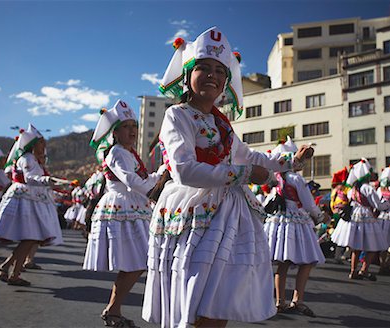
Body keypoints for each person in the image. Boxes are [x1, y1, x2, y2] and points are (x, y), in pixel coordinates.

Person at [141, 27, 313, 328]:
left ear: (226, 81)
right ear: (187, 75)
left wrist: (291, 162)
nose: (212, 76)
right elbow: (185, 170)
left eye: (220, 71)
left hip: (227, 214)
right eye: (204, 68)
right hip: (193, 212)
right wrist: (245, 174)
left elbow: (252, 156)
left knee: (220, 298)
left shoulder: (221, 124)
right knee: (196, 296)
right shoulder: (177, 115)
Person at [83, 100, 165, 328]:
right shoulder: (117, 153)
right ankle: (113, 309)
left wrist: (161, 174)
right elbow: (131, 181)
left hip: (133, 208)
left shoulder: (128, 153)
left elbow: (141, 179)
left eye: (134, 126)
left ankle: (113, 310)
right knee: (138, 261)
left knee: (137, 262)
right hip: (123, 208)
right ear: (115, 132)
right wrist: (156, 187)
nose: (132, 131)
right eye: (126, 126)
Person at [0, 124, 68, 286]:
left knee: (30, 238)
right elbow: (30, 177)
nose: (43, 146)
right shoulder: (27, 158)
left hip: (33, 199)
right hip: (26, 199)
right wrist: (47, 180)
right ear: (32, 145)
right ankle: (10, 271)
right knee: (30, 237)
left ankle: (9, 270)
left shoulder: (33, 160)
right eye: (40, 143)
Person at [263, 136, 327, 318]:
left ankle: (279, 302)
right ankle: (297, 300)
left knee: (282, 263)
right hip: (296, 222)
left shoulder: (276, 179)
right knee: (307, 261)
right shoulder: (295, 179)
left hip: (278, 222)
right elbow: (308, 203)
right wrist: (319, 216)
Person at [331, 158, 390, 281]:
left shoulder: (352, 189)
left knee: (356, 246)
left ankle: (353, 271)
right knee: (372, 246)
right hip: (366, 216)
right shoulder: (367, 188)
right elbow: (377, 205)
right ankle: (364, 270)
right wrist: (387, 204)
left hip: (354, 215)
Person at [329, 167, 350, 264]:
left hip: (337, 213)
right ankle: (340, 255)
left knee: (339, 234)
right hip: (344, 214)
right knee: (342, 234)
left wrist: (334, 210)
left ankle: (339, 255)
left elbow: (332, 202)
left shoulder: (335, 190)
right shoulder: (346, 189)